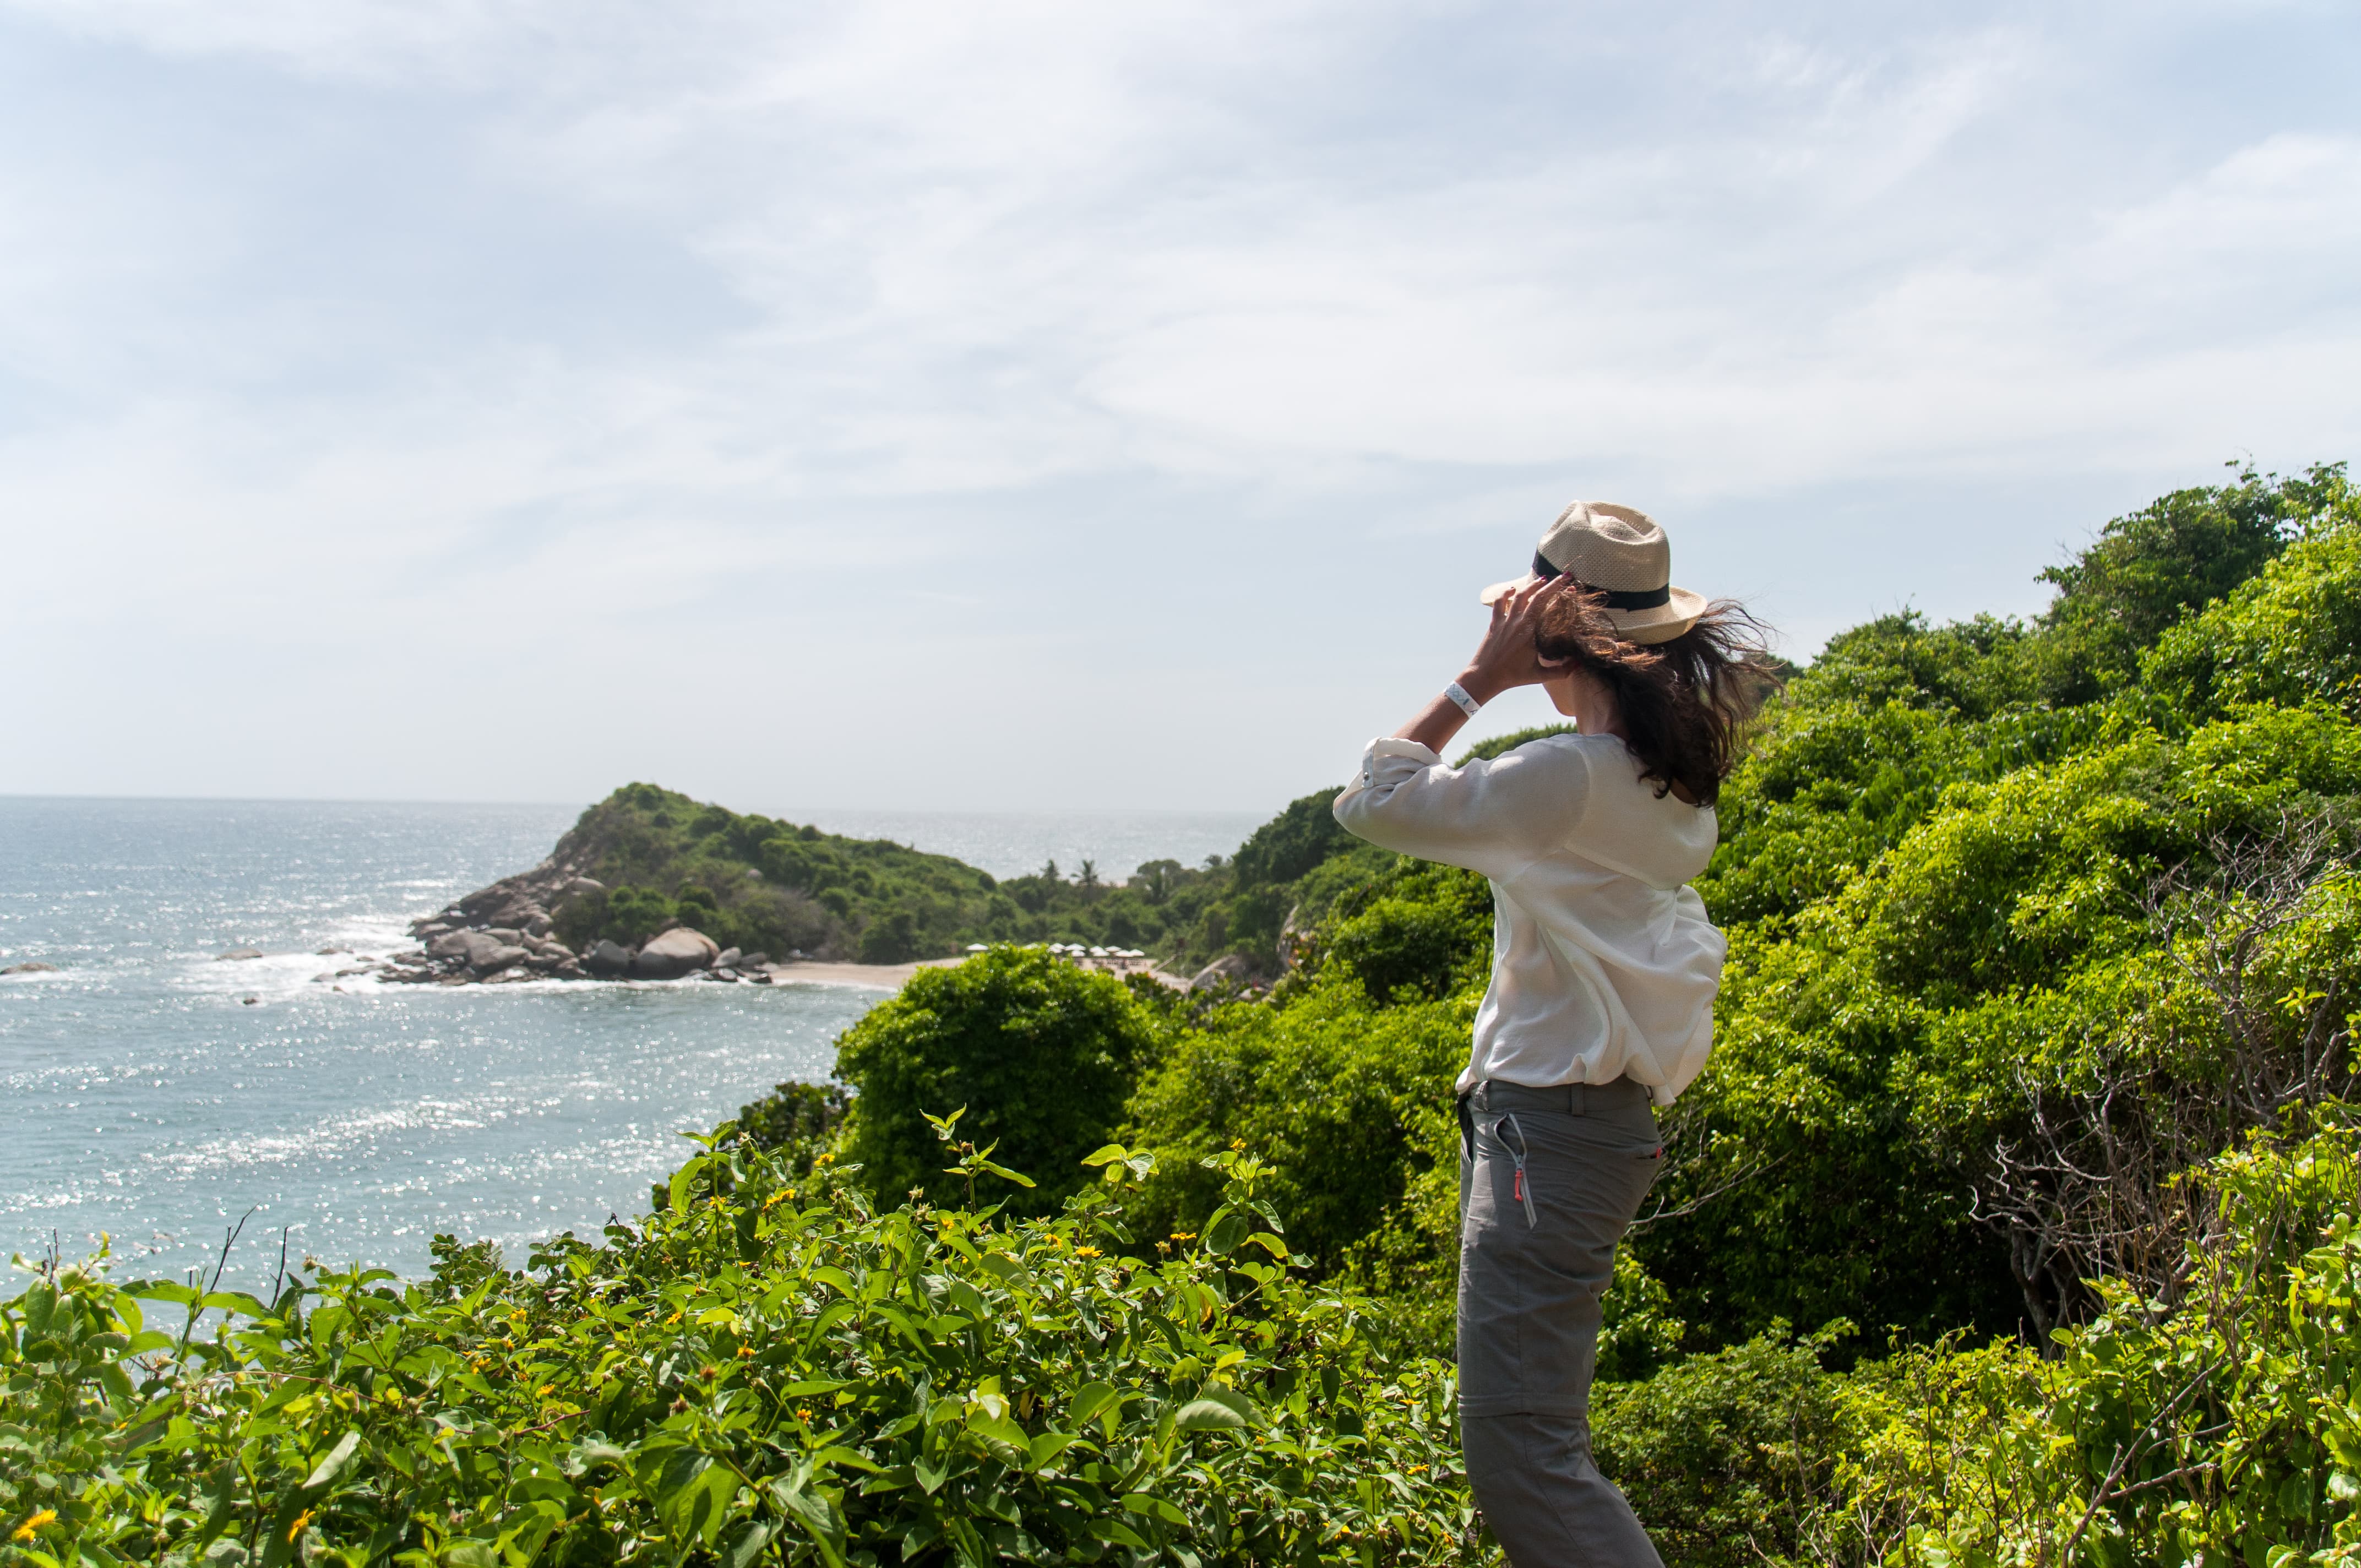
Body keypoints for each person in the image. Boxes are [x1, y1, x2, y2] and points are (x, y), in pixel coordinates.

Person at [1331, 500, 1774, 1567]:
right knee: (1536, 1442)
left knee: (1523, 1455)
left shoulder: (1566, 778)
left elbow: (1371, 800)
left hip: (1547, 1130)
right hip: (1579, 1129)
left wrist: (1478, 680)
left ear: (1554, 633)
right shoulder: (1664, 779)